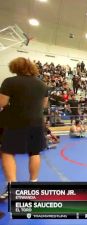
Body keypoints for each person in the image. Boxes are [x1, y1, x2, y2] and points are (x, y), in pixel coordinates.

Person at [0, 57, 48, 201]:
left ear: (15, 68)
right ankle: (33, 184)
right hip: (36, 122)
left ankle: (12, 188)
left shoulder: (9, 82)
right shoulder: (42, 84)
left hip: (14, 122)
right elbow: (43, 105)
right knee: (34, 152)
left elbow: (2, 102)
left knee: (8, 152)